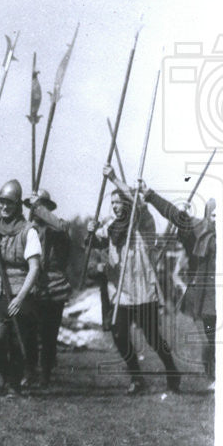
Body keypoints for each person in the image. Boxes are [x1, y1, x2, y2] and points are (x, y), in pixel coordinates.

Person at [88, 166, 181, 394]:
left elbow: (138, 203)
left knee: (152, 338)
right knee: (119, 334)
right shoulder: (110, 227)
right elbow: (91, 242)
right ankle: (137, 378)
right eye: (113, 203)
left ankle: (172, 372)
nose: (116, 206)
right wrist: (90, 231)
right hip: (120, 291)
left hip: (142, 289)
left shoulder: (143, 223)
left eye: (120, 202)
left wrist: (113, 178)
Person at [141, 181, 216, 390]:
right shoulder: (199, 231)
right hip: (205, 297)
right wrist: (150, 194)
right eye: (213, 215)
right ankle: (214, 376)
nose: (217, 219)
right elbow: (174, 214)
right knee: (210, 340)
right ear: (207, 216)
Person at [0, 179, 42, 396]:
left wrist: (21, 297)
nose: (4, 207)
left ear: (17, 205)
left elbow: (34, 268)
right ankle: (1, 372)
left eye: (9, 203)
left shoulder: (28, 231)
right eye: (1, 202)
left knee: (17, 339)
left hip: (20, 291)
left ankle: (14, 383)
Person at [24, 189, 72, 388]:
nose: (36, 211)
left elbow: (61, 227)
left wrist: (38, 206)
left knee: (48, 334)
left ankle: (45, 373)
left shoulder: (58, 227)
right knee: (28, 332)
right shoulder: (28, 229)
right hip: (31, 285)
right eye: (34, 207)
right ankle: (30, 370)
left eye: (40, 206)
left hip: (54, 287)